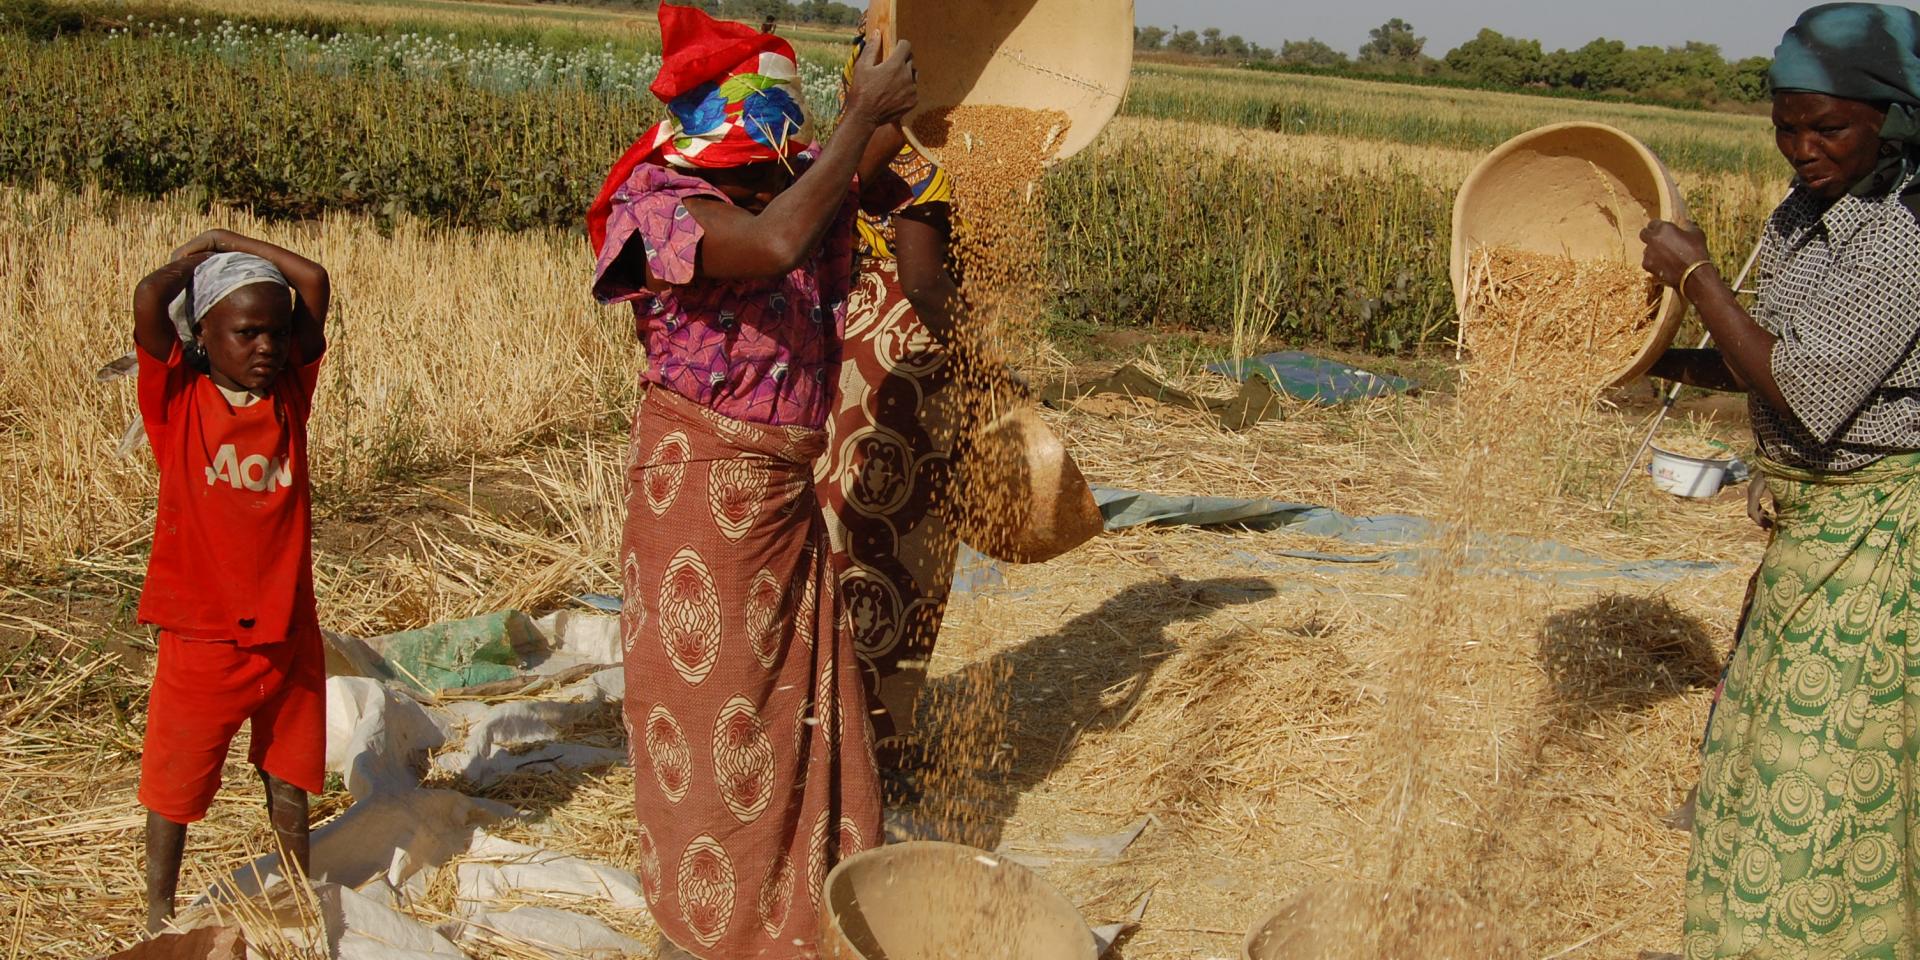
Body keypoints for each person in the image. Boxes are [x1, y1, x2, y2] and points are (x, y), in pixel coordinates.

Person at [584, 6, 917, 957]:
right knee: (723, 727)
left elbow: (846, 166)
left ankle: (804, 922)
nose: (793, 157)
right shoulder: (656, 207)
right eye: (784, 137)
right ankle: (720, 934)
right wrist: (859, 117)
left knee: (804, 718)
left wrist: (897, 64)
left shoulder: (786, 184)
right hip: (702, 505)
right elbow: (770, 244)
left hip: (781, 500)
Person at [1639, 5, 1920, 956]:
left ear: (1895, 116)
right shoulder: (1807, 214)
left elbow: (1804, 387)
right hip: (1810, 535)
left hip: (1878, 545)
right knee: (1753, 766)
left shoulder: (1907, 233)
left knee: (1826, 784)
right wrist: (1658, 362)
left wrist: (1699, 280)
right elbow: (1771, 357)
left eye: (1828, 127)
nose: (1802, 147)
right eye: (1786, 128)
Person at [130, 229, 331, 933]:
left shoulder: (288, 401)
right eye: (246, 333)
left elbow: (314, 281)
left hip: (287, 632)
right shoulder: (177, 404)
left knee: (290, 775)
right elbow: (150, 297)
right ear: (203, 339)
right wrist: (202, 260)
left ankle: (299, 893)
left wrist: (230, 239)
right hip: (203, 637)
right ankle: (159, 909)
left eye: (276, 334)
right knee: (175, 783)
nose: (267, 348)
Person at [817, 20, 966, 807]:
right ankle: (877, 744)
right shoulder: (927, 164)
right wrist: (984, 362)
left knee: (839, 534)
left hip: (846, 348)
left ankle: (823, 725)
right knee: (903, 559)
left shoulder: (837, 156)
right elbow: (924, 283)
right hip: (908, 371)